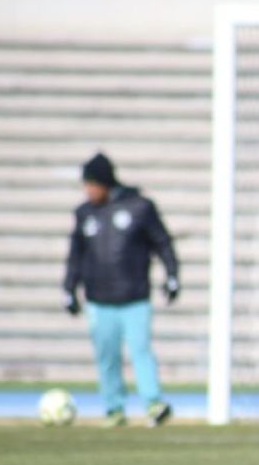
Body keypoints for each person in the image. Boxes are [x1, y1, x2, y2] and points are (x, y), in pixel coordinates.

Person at [63, 153, 179, 428]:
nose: (88, 190)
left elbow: (162, 243)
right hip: (99, 300)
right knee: (107, 355)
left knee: (141, 350)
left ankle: (153, 404)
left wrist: (172, 275)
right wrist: (68, 288)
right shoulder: (84, 213)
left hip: (134, 296)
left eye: (91, 184)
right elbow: (75, 256)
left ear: (104, 182)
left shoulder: (140, 207)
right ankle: (114, 409)